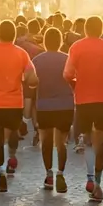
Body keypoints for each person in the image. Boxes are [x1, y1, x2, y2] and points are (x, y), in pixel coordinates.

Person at [65, 16, 103, 202]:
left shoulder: (76, 47)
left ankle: (90, 176)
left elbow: (67, 73)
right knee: (100, 141)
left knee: (88, 141)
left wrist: (75, 85)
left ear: (85, 30)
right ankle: (97, 182)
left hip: (83, 99)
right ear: (101, 30)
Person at [0, 20, 37, 193]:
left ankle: (1, 172)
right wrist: (32, 83)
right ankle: (11, 155)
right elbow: (31, 76)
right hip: (14, 103)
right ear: (14, 35)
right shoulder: (21, 53)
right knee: (12, 132)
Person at [32, 26, 73, 193]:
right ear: (60, 41)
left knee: (46, 141)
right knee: (61, 143)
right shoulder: (67, 58)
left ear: (44, 42)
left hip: (44, 105)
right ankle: (61, 173)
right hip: (65, 104)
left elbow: (32, 83)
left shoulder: (37, 60)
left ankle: (49, 174)